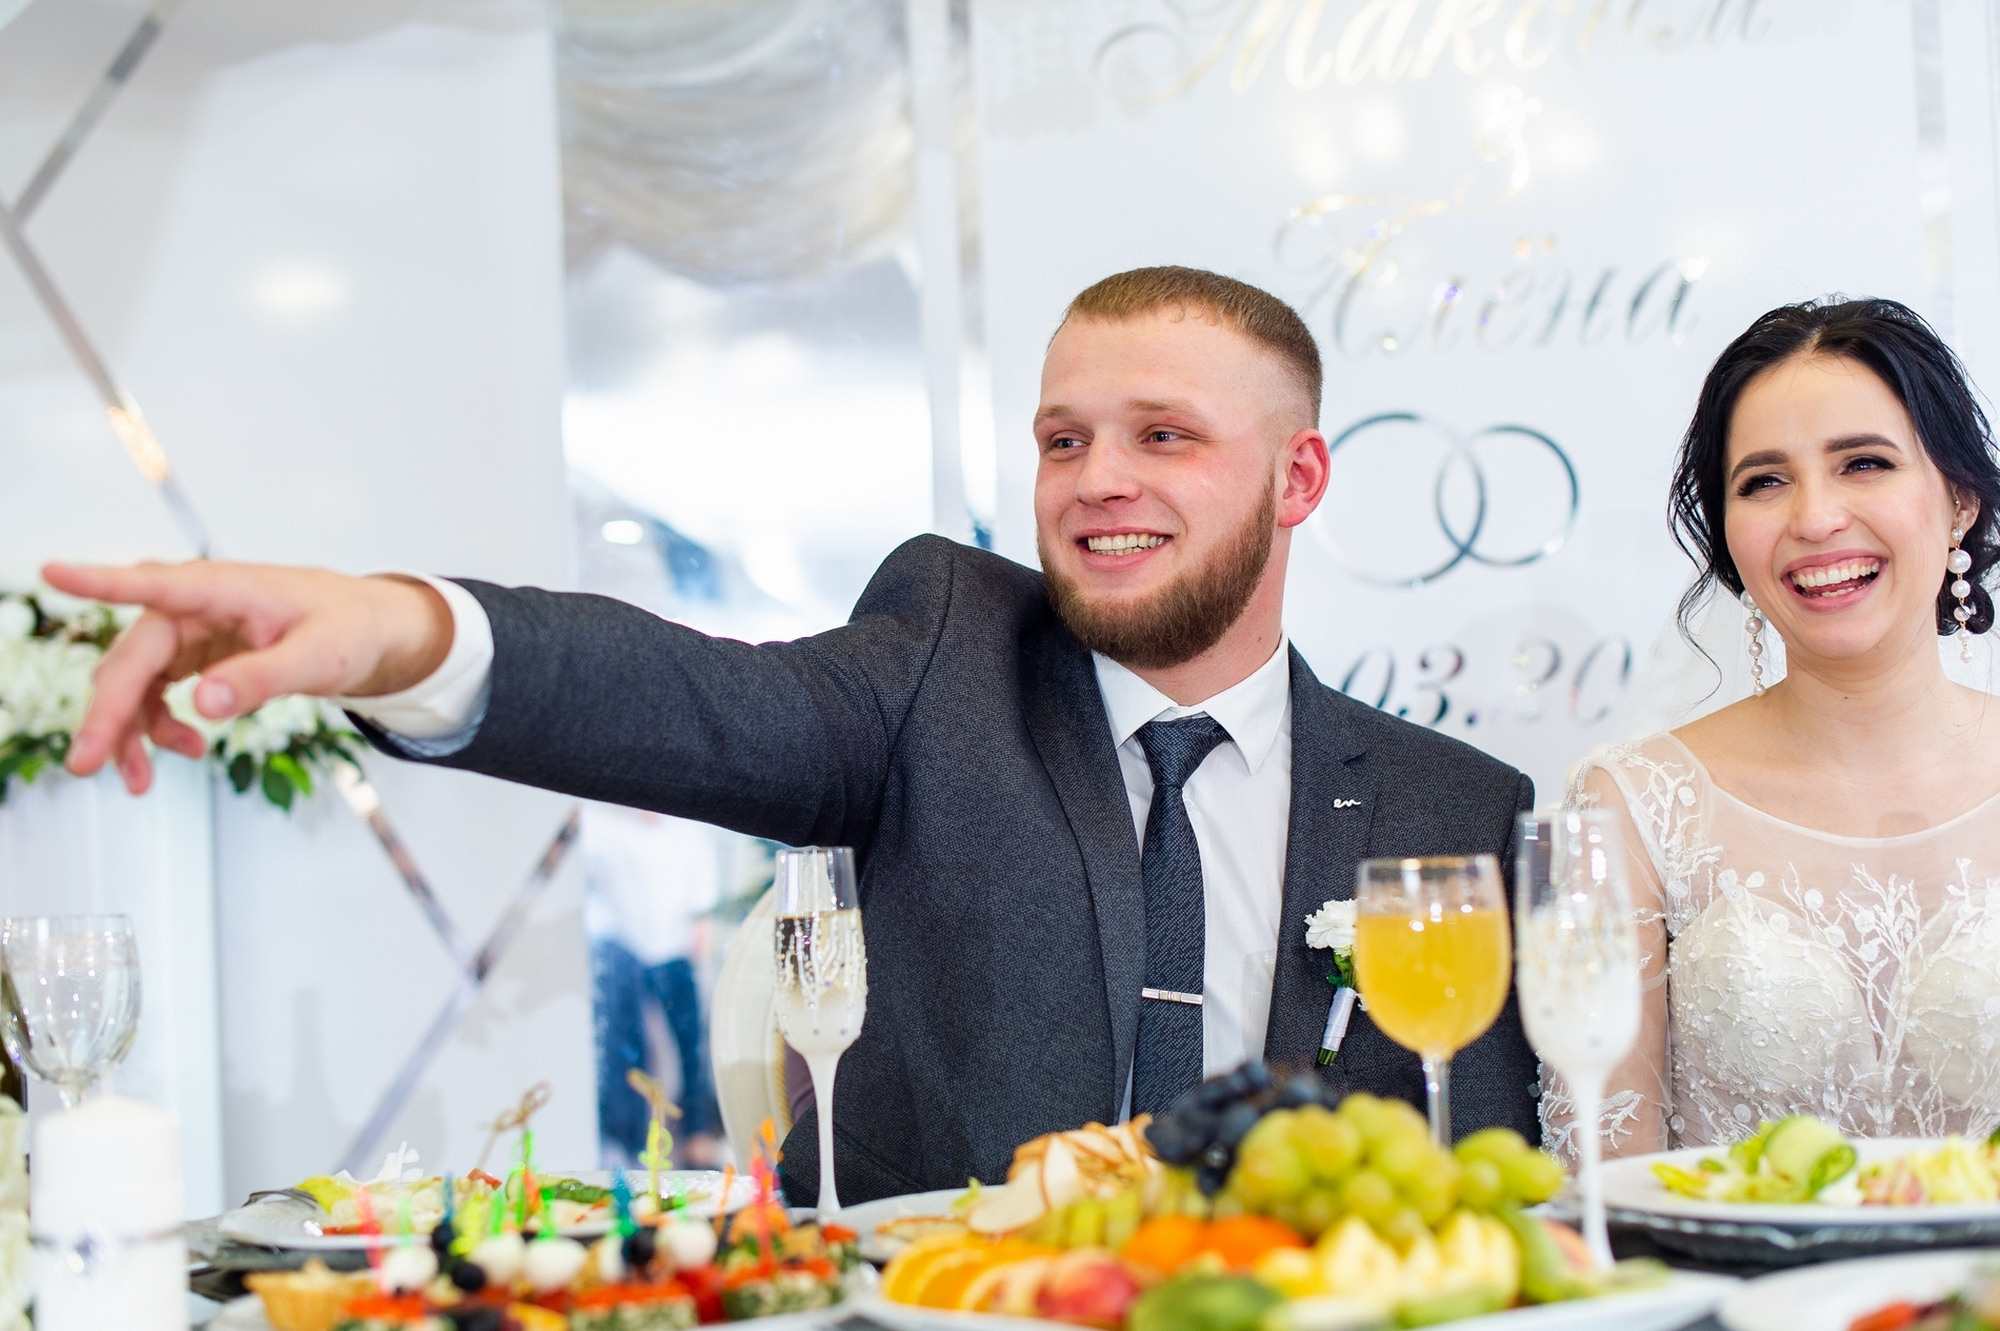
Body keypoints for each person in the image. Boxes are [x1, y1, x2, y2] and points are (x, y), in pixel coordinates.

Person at [48, 266, 1538, 1204]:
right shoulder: (951, 651)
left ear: (1299, 479)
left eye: (1164, 434)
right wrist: (406, 629)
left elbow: (1492, 1188)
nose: (1094, 479)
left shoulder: (1457, 803)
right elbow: (696, 699)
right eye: (1063, 437)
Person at [1560, 297, 2000, 1159]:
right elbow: (1606, 1169)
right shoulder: (1633, 808)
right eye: (1764, 481)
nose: (1814, 518)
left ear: (1958, 500)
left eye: (1864, 463)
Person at [582, 804, 725, 1168]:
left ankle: (697, 1133)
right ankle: (629, 1141)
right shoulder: (605, 827)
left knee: (690, 1046)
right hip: (628, 952)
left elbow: (703, 889)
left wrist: (700, 932)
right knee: (629, 1051)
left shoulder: (688, 830)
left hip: (676, 949)